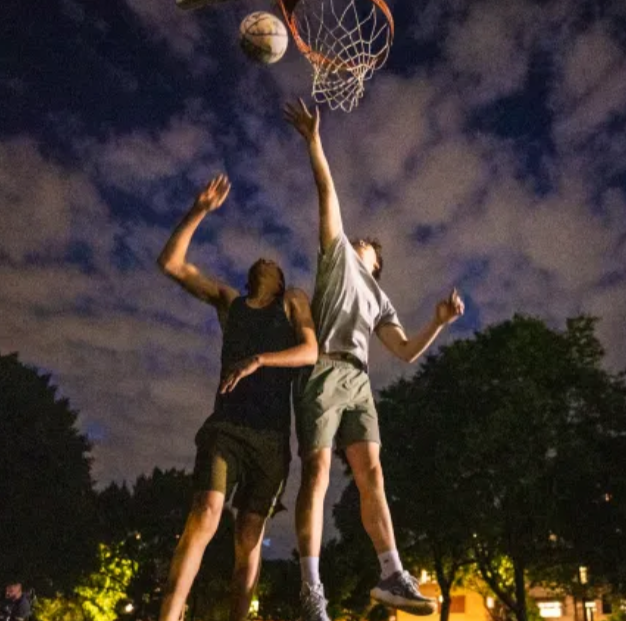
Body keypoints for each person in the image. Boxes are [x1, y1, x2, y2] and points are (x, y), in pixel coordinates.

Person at [283, 100, 465, 621]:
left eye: (368, 244)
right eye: (357, 238)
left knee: (373, 477)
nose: (358, 238)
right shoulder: (336, 254)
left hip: (359, 382)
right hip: (324, 369)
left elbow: (405, 352)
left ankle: (391, 572)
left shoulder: (380, 299)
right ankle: (310, 587)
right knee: (316, 474)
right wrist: (315, 142)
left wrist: (440, 323)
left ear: (376, 264)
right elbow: (327, 193)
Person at [156, 173, 319, 621]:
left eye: (273, 263)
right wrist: (198, 211)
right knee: (206, 512)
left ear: (281, 282)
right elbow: (171, 264)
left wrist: (259, 360)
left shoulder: (293, 304)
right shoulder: (230, 302)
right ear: (249, 280)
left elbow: (310, 350)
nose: (265, 260)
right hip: (226, 428)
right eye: (259, 262)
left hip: (270, 441)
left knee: (248, 538)